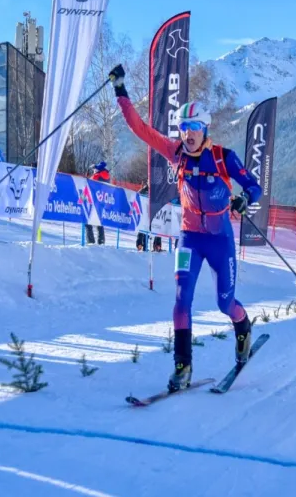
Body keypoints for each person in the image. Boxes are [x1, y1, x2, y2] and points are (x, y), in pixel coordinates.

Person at [110, 64, 262, 392]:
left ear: (205, 129)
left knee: (225, 303)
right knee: (181, 301)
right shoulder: (176, 152)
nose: (187, 133)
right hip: (190, 238)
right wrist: (121, 92)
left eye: (193, 127)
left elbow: (254, 186)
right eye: (182, 127)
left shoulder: (223, 158)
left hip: (220, 240)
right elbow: (140, 129)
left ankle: (243, 326)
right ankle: (183, 366)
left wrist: (244, 200)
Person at [86, 161, 110, 245]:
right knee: (99, 222)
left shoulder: (96, 176)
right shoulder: (107, 176)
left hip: (94, 200)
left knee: (88, 221)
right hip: (103, 201)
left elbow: (89, 185)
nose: (93, 171)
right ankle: (101, 241)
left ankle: (90, 241)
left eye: (94, 169)